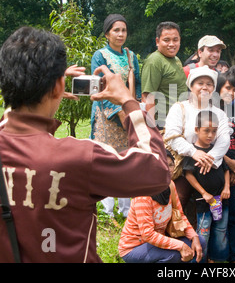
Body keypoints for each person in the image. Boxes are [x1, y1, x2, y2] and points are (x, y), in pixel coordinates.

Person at [0, 27, 170, 262]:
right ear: (59, 87)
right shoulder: (79, 156)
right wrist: (128, 101)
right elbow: (157, 171)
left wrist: (42, 86)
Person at [90, 13, 140, 218]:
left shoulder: (131, 56)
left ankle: (126, 210)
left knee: (126, 158)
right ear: (107, 33)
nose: (120, 34)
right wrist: (118, 112)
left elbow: (136, 87)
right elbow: (100, 87)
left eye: (124, 30)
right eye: (116, 30)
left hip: (128, 112)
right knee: (107, 158)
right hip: (106, 114)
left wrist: (133, 110)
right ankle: (107, 210)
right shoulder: (100, 55)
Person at [164, 66, 230, 207]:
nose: (204, 87)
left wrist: (207, 158)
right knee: (179, 200)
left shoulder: (219, 114)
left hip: (211, 167)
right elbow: (171, 136)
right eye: (200, 83)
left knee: (215, 208)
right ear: (191, 86)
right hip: (183, 166)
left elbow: (224, 139)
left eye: (209, 84)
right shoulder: (179, 108)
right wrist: (194, 152)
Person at [118, 178, 204, 263]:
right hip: (135, 247)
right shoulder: (143, 195)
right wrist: (180, 245)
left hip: (159, 239)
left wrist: (194, 236)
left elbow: (180, 215)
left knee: (200, 242)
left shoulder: (170, 184)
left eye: (171, 165)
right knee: (174, 255)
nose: (168, 170)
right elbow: (148, 235)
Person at [183, 111, 230, 263]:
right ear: (196, 130)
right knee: (204, 231)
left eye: (214, 131)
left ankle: (217, 259)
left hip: (222, 200)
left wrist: (226, 188)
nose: (211, 135)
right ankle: (200, 259)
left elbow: (226, 169)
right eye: (206, 130)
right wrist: (203, 193)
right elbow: (189, 174)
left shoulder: (217, 149)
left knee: (221, 230)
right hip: (204, 202)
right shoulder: (193, 152)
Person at [216, 71, 235, 263]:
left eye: (234, 89)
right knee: (218, 216)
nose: (231, 93)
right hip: (217, 166)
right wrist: (229, 163)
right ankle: (217, 256)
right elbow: (209, 144)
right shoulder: (209, 110)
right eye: (228, 88)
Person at [141, 21, 187, 128]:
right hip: (162, 124)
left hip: (178, 122)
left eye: (175, 40)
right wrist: (153, 131)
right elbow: (147, 96)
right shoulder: (155, 61)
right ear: (157, 41)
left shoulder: (176, 59)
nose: (171, 44)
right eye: (166, 40)